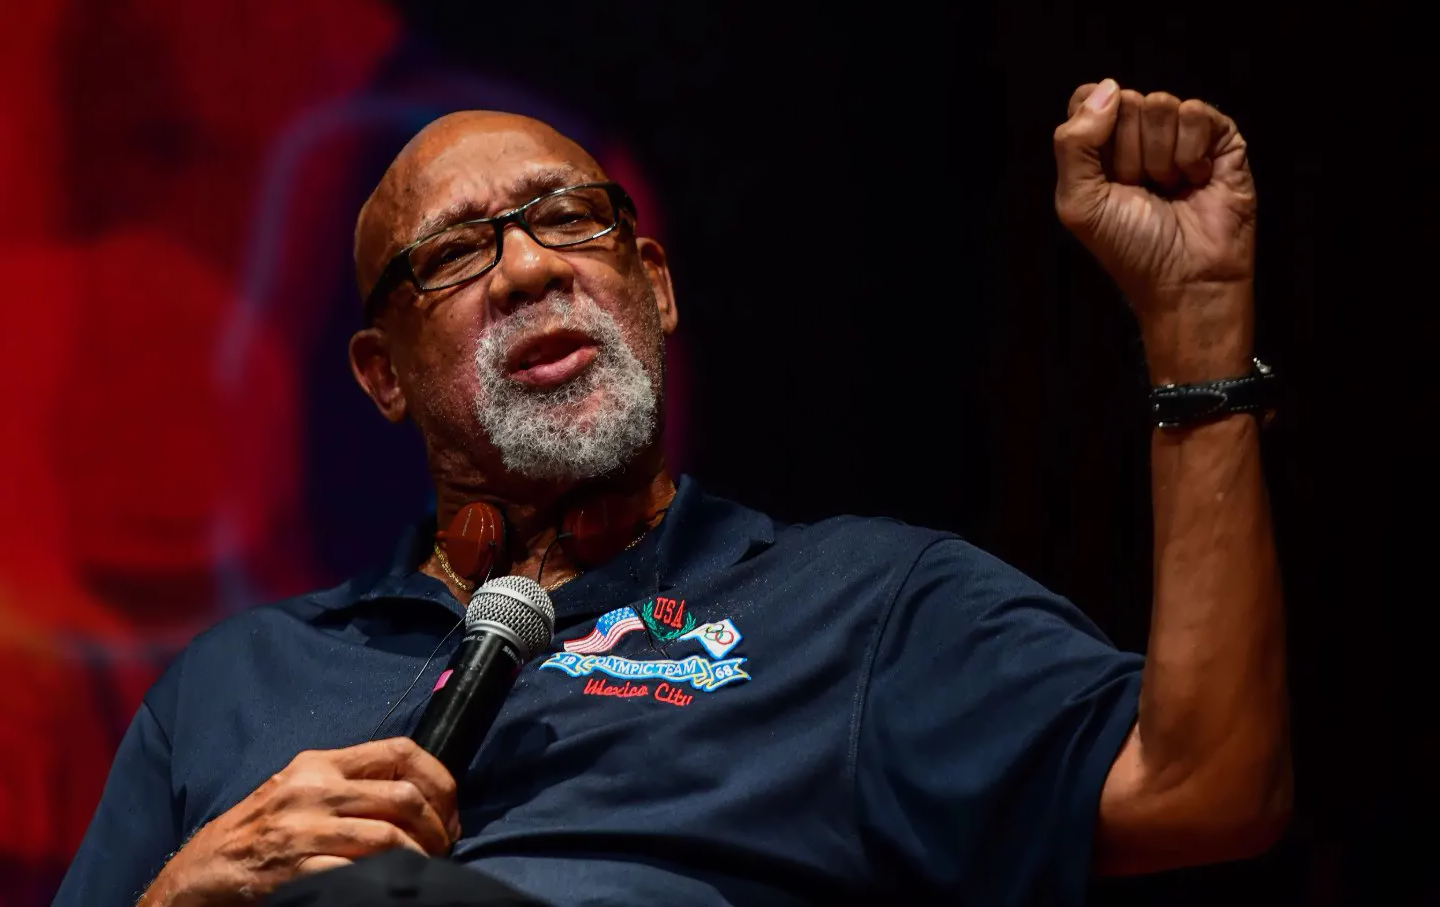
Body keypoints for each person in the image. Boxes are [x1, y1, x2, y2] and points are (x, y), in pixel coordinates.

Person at [55, 78, 1290, 906]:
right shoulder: (231, 684)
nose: (531, 266)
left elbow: (1204, 786)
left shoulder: (862, 605)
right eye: (454, 255)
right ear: (382, 376)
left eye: (568, 221)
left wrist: (1194, 329)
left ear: (654, 283)